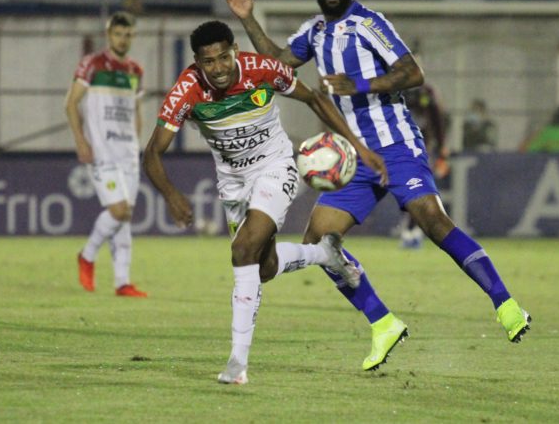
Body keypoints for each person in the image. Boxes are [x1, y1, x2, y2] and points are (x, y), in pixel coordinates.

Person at [226, 0, 531, 370]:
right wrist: (247, 18)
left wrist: (360, 84)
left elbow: (413, 72)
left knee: (434, 223)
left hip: (396, 146)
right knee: (320, 242)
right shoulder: (315, 32)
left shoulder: (369, 23)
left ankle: (506, 305)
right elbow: (277, 61)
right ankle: (382, 322)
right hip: (351, 159)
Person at [143, 21, 388, 385]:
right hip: (233, 184)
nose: (219, 68)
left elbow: (314, 98)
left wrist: (358, 145)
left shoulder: (263, 70)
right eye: (208, 62)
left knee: (243, 250)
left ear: (235, 50)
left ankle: (237, 364)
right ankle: (326, 254)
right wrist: (171, 194)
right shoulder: (187, 90)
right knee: (263, 268)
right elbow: (152, 153)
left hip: (277, 167)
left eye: (224, 57)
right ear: (197, 62)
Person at [65, 11, 147, 297]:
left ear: (132, 36)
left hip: (128, 154)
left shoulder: (135, 70)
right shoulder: (92, 64)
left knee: (125, 217)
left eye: (127, 35)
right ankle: (87, 255)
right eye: (118, 34)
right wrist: (81, 141)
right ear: (109, 35)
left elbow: (136, 111)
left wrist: (136, 141)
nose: (122, 39)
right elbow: (71, 104)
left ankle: (122, 281)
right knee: (118, 210)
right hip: (102, 152)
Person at [398, 83, 451, 248]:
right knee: (408, 190)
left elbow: (438, 118)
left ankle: (412, 231)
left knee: (418, 188)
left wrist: (442, 146)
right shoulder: (392, 87)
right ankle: (412, 229)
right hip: (396, 146)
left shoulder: (426, 92)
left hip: (421, 147)